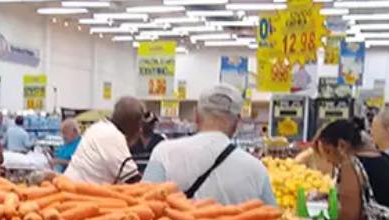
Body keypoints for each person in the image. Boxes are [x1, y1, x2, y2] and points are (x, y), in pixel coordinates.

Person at [142, 83, 275, 206]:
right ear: (237, 123)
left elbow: (144, 205)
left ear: (196, 116)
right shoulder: (256, 170)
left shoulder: (164, 153)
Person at [65, 97, 145, 185]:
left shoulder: (98, 127)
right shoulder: (114, 137)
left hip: (71, 186)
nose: (141, 129)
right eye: (140, 124)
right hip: (83, 194)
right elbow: (133, 181)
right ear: (133, 124)